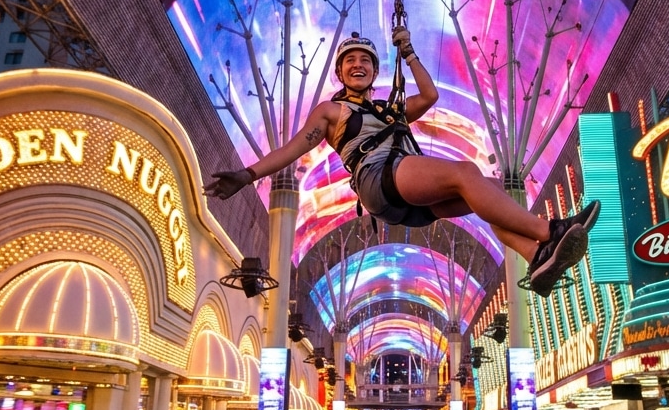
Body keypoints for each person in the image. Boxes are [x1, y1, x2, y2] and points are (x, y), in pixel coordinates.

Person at [205, 31, 597, 297]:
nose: (357, 65)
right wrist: (248, 174)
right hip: (379, 178)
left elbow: (429, 95)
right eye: (349, 61)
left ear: (375, 72)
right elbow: (293, 148)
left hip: (407, 192)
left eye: (365, 61)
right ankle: (549, 231)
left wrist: (407, 52)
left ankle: (535, 256)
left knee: (488, 192)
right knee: (465, 173)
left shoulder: (391, 110)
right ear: (340, 72)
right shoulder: (332, 110)